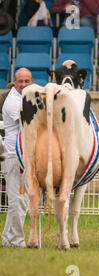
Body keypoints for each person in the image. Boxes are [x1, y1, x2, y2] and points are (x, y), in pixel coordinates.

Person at [1, 68, 33, 248]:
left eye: (26, 81)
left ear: (31, 81)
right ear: (14, 82)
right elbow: (29, 123)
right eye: (20, 81)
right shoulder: (13, 102)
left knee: (21, 200)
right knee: (18, 201)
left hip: (21, 155)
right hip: (14, 156)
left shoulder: (25, 98)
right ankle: (15, 241)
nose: (23, 84)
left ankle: (8, 238)